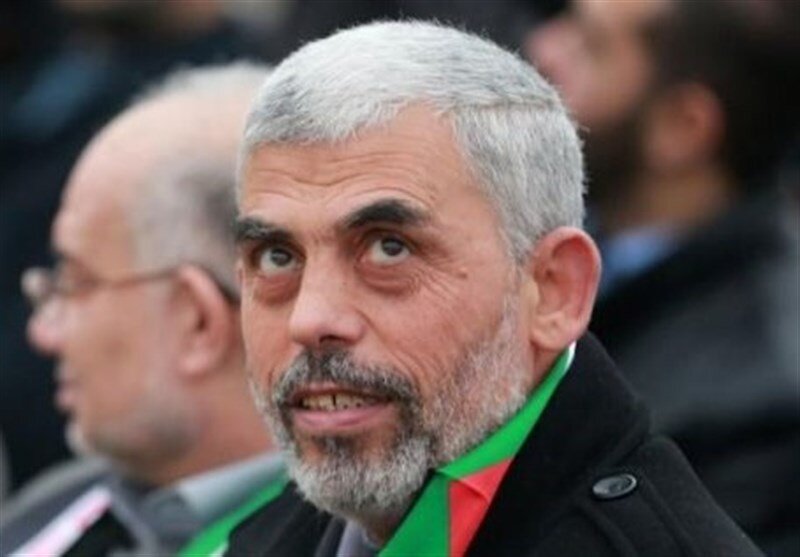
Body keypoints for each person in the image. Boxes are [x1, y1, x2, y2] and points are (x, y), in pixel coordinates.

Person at [226, 21, 762, 557]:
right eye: (277, 256)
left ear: (555, 290)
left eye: (389, 248)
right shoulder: (267, 532)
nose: (310, 319)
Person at [526, 2, 799, 554]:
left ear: (683, 127)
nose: (544, 50)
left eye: (592, 48)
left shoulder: (763, 402)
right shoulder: (540, 241)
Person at [0, 63, 283, 557]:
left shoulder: (341, 542)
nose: (43, 332)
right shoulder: (58, 500)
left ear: (197, 321)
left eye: (74, 282)